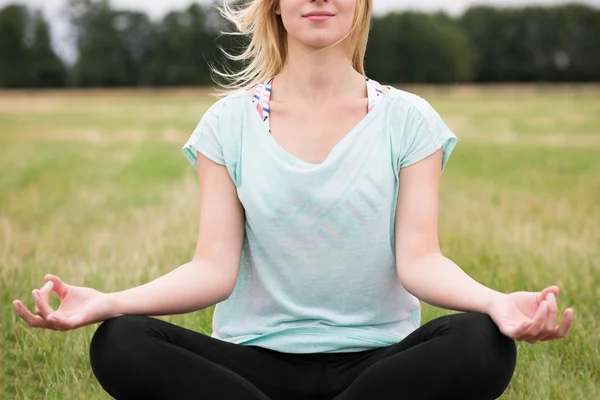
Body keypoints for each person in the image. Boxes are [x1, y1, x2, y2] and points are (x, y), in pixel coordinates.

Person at [13, 1, 574, 399]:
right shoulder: (227, 124)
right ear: (276, 5)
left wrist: (496, 302)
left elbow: (420, 260)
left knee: (482, 341)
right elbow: (212, 270)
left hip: (379, 367)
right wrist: (108, 302)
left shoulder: (409, 120)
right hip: (251, 368)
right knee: (122, 341)